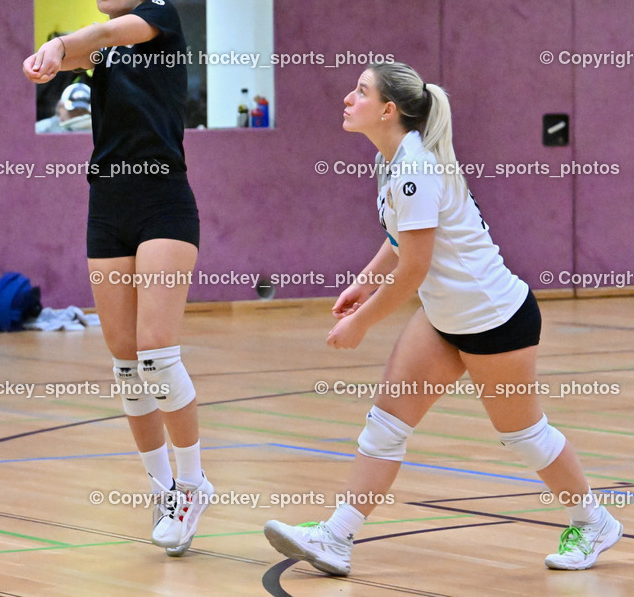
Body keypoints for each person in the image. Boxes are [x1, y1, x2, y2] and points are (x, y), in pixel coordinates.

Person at [264, 62, 623, 575]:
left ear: (388, 109)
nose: (348, 97)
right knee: (385, 425)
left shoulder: (414, 168)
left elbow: (413, 270)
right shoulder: (394, 161)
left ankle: (593, 521)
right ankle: (336, 538)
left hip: (496, 318)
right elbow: (401, 240)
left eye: (360, 91)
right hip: (445, 317)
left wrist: (361, 321)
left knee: (523, 435)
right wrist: (365, 280)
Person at [24, 0, 212, 557]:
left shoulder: (161, 22)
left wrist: (58, 45)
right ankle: (161, 489)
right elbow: (80, 53)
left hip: (162, 199)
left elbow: (94, 40)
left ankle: (193, 483)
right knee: (127, 364)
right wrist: (54, 58)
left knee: (159, 353)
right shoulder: (101, 49)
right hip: (107, 205)